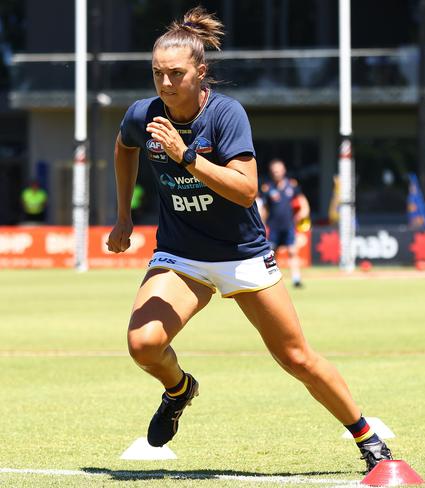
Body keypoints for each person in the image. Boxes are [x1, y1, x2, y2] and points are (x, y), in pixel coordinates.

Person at [106, 7, 391, 472]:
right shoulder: (145, 114)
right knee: (143, 344)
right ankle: (179, 390)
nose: (165, 83)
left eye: (175, 73)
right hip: (181, 255)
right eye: (157, 73)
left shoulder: (226, 115)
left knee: (296, 357)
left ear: (201, 72)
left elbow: (245, 190)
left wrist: (186, 158)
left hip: (241, 256)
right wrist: (122, 215)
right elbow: (124, 145)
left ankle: (367, 437)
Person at [259, 159, 310, 288]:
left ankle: (296, 279)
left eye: (279, 170)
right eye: (274, 171)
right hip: (274, 227)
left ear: (284, 170)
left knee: (293, 252)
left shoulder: (292, 185)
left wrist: (303, 212)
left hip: (288, 226)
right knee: (271, 254)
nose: (277, 173)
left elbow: (302, 201)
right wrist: (262, 223)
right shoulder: (267, 187)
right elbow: (263, 208)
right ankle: (270, 280)